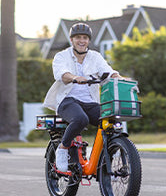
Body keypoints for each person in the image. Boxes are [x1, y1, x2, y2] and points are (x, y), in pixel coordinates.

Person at [44, 22, 124, 172]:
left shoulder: (95, 57)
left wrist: (118, 77)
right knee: (81, 119)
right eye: (78, 37)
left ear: (89, 40)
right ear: (72, 40)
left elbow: (107, 71)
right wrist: (75, 77)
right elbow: (61, 74)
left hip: (90, 102)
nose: (82, 41)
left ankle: (105, 156)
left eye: (85, 38)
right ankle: (63, 148)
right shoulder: (61, 56)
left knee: (110, 120)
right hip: (67, 100)